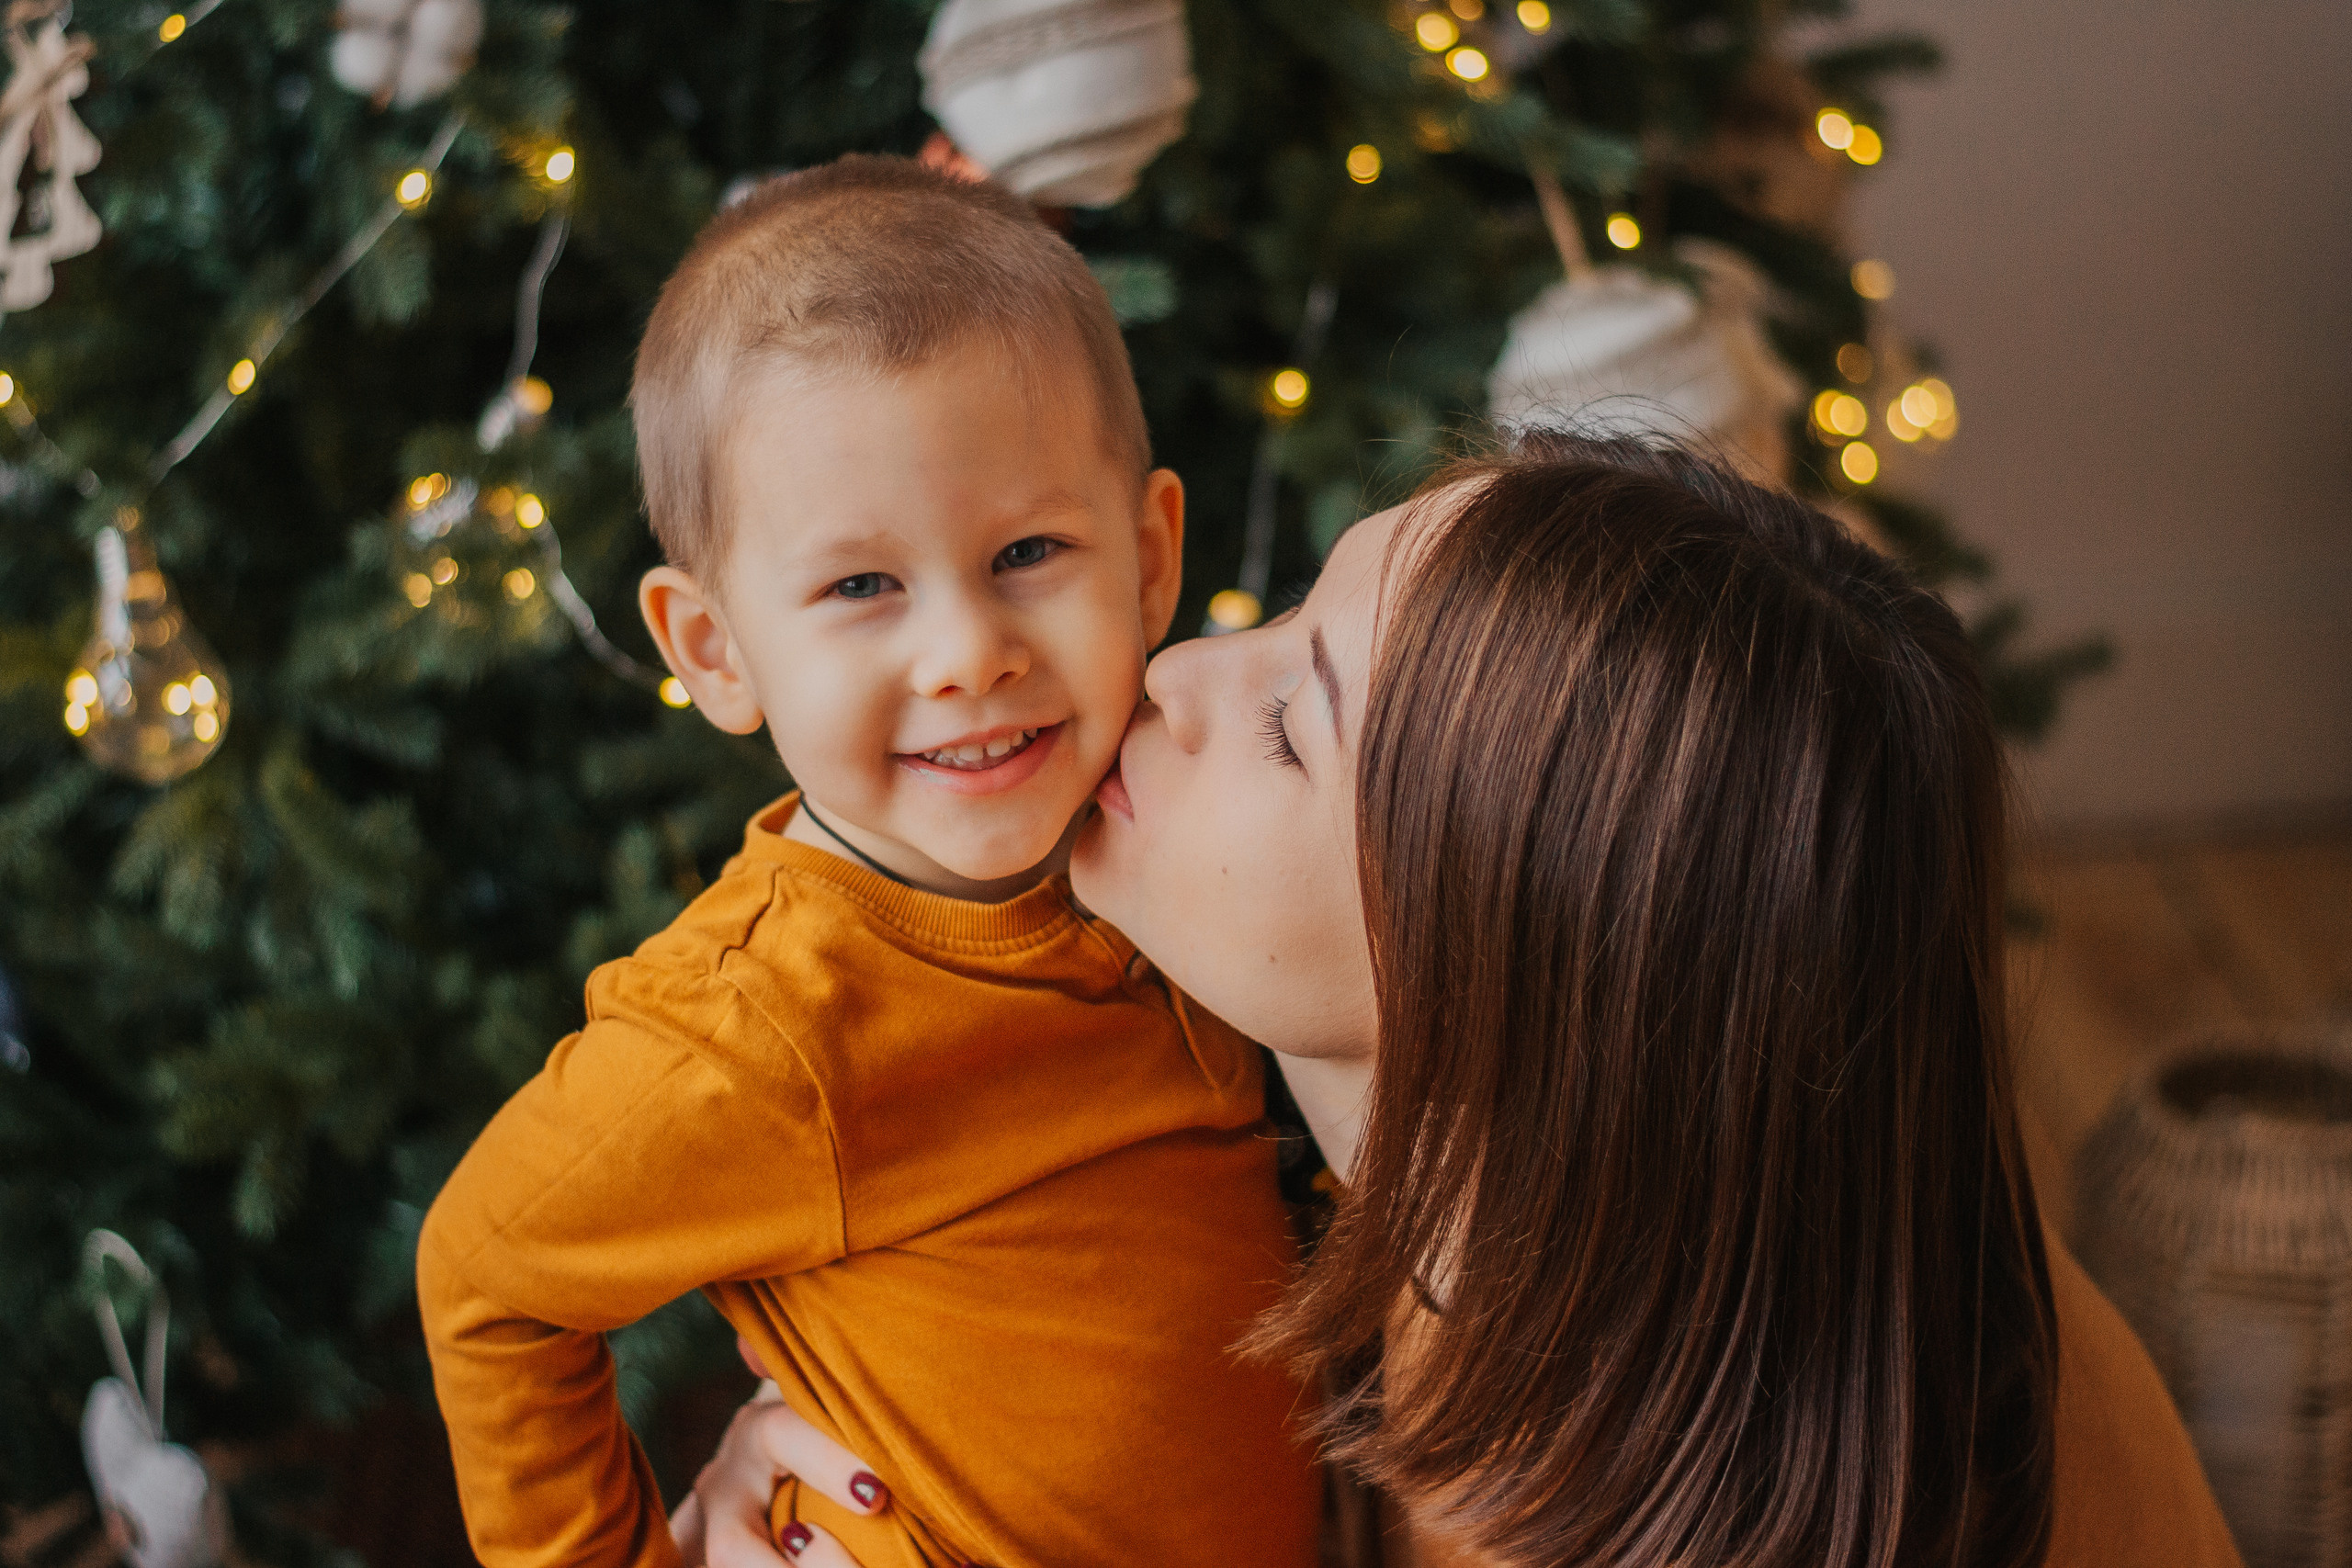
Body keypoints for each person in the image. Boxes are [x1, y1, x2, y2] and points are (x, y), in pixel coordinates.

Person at [680, 433, 2244, 1568]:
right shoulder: (1717, 1212)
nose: (1181, 669)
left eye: (1299, 723)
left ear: (1527, 969)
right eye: (1292, 614)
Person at [414, 156, 1321, 1568]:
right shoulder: (765, 1030)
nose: (967, 654)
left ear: (1150, 562)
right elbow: (484, 1277)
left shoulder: (1181, 840)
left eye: (1028, 550)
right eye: (861, 587)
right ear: (714, 651)